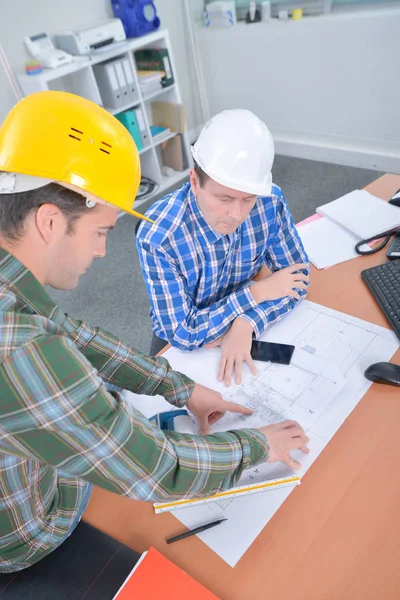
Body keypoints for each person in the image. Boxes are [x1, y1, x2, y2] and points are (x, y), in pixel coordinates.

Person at [0, 92, 309, 573]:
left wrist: (180, 387)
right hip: (35, 526)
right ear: (49, 221)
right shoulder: (20, 349)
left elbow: (74, 335)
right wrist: (259, 445)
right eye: (101, 232)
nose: (104, 253)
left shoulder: (11, 285)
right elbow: (155, 467)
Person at [136, 109, 310, 385]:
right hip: (180, 344)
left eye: (248, 199)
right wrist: (258, 293)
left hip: (234, 325)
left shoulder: (269, 201)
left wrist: (247, 322)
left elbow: (298, 277)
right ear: (195, 181)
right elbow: (184, 333)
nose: (237, 214)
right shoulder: (159, 236)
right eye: (225, 198)